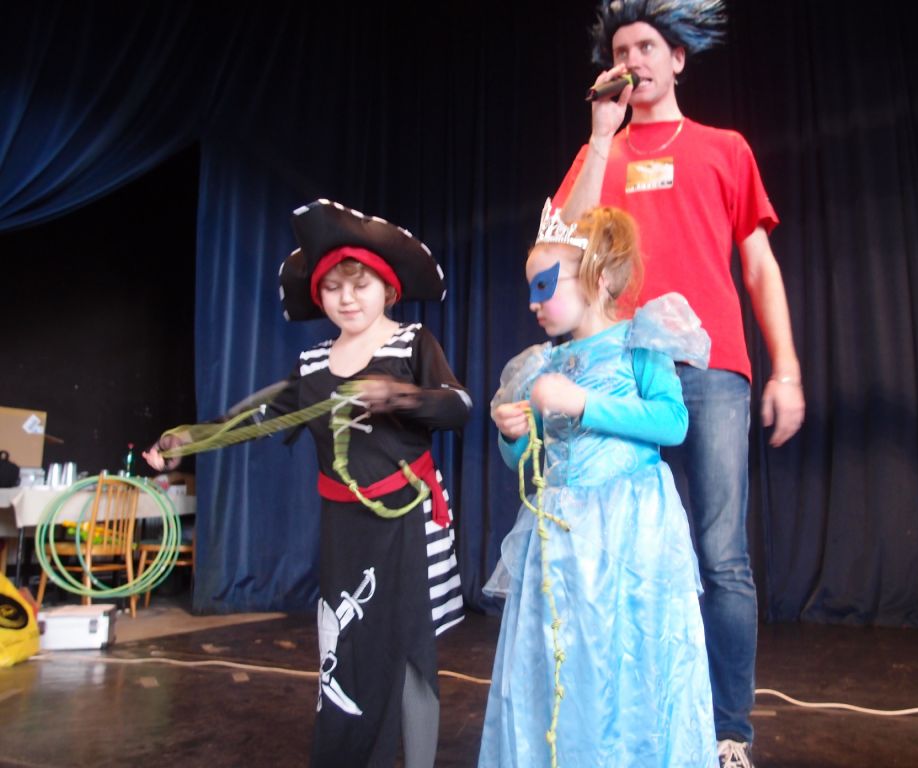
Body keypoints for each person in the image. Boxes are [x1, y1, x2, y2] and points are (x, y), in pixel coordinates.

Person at [551, 2, 806, 766]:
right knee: (618, 551)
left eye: (647, 47)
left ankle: (729, 731)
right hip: (620, 371)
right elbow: (559, 245)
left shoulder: (725, 149)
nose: (634, 61)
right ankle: (628, 717)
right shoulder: (600, 152)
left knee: (721, 556)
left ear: (678, 58)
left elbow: (758, 266)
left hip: (711, 369)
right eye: (622, 50)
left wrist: (786, 367)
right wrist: (601, 138)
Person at [144, 199, 470, 768]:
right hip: (345, 529)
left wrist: (398, 396)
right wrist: (188, 441)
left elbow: (458, 406)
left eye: (360, 285)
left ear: (388, 288)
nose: (347, 298)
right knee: (343, 650)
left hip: (406, 520)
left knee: (411, 649)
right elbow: (257, 417)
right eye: (333, 288)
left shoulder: (413, 343)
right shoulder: (315, 363)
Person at [479, 200, 717, 767]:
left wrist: (583, 402)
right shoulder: (541, 365)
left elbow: (672, 422)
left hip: (630, 533)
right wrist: (514, 434)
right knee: (565, 661)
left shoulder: (639, 343)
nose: (534, 302)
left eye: (545, 285)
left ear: (600, 278)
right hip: (562, 541)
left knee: (628, 657)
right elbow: (524, 460)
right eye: (531, 289)